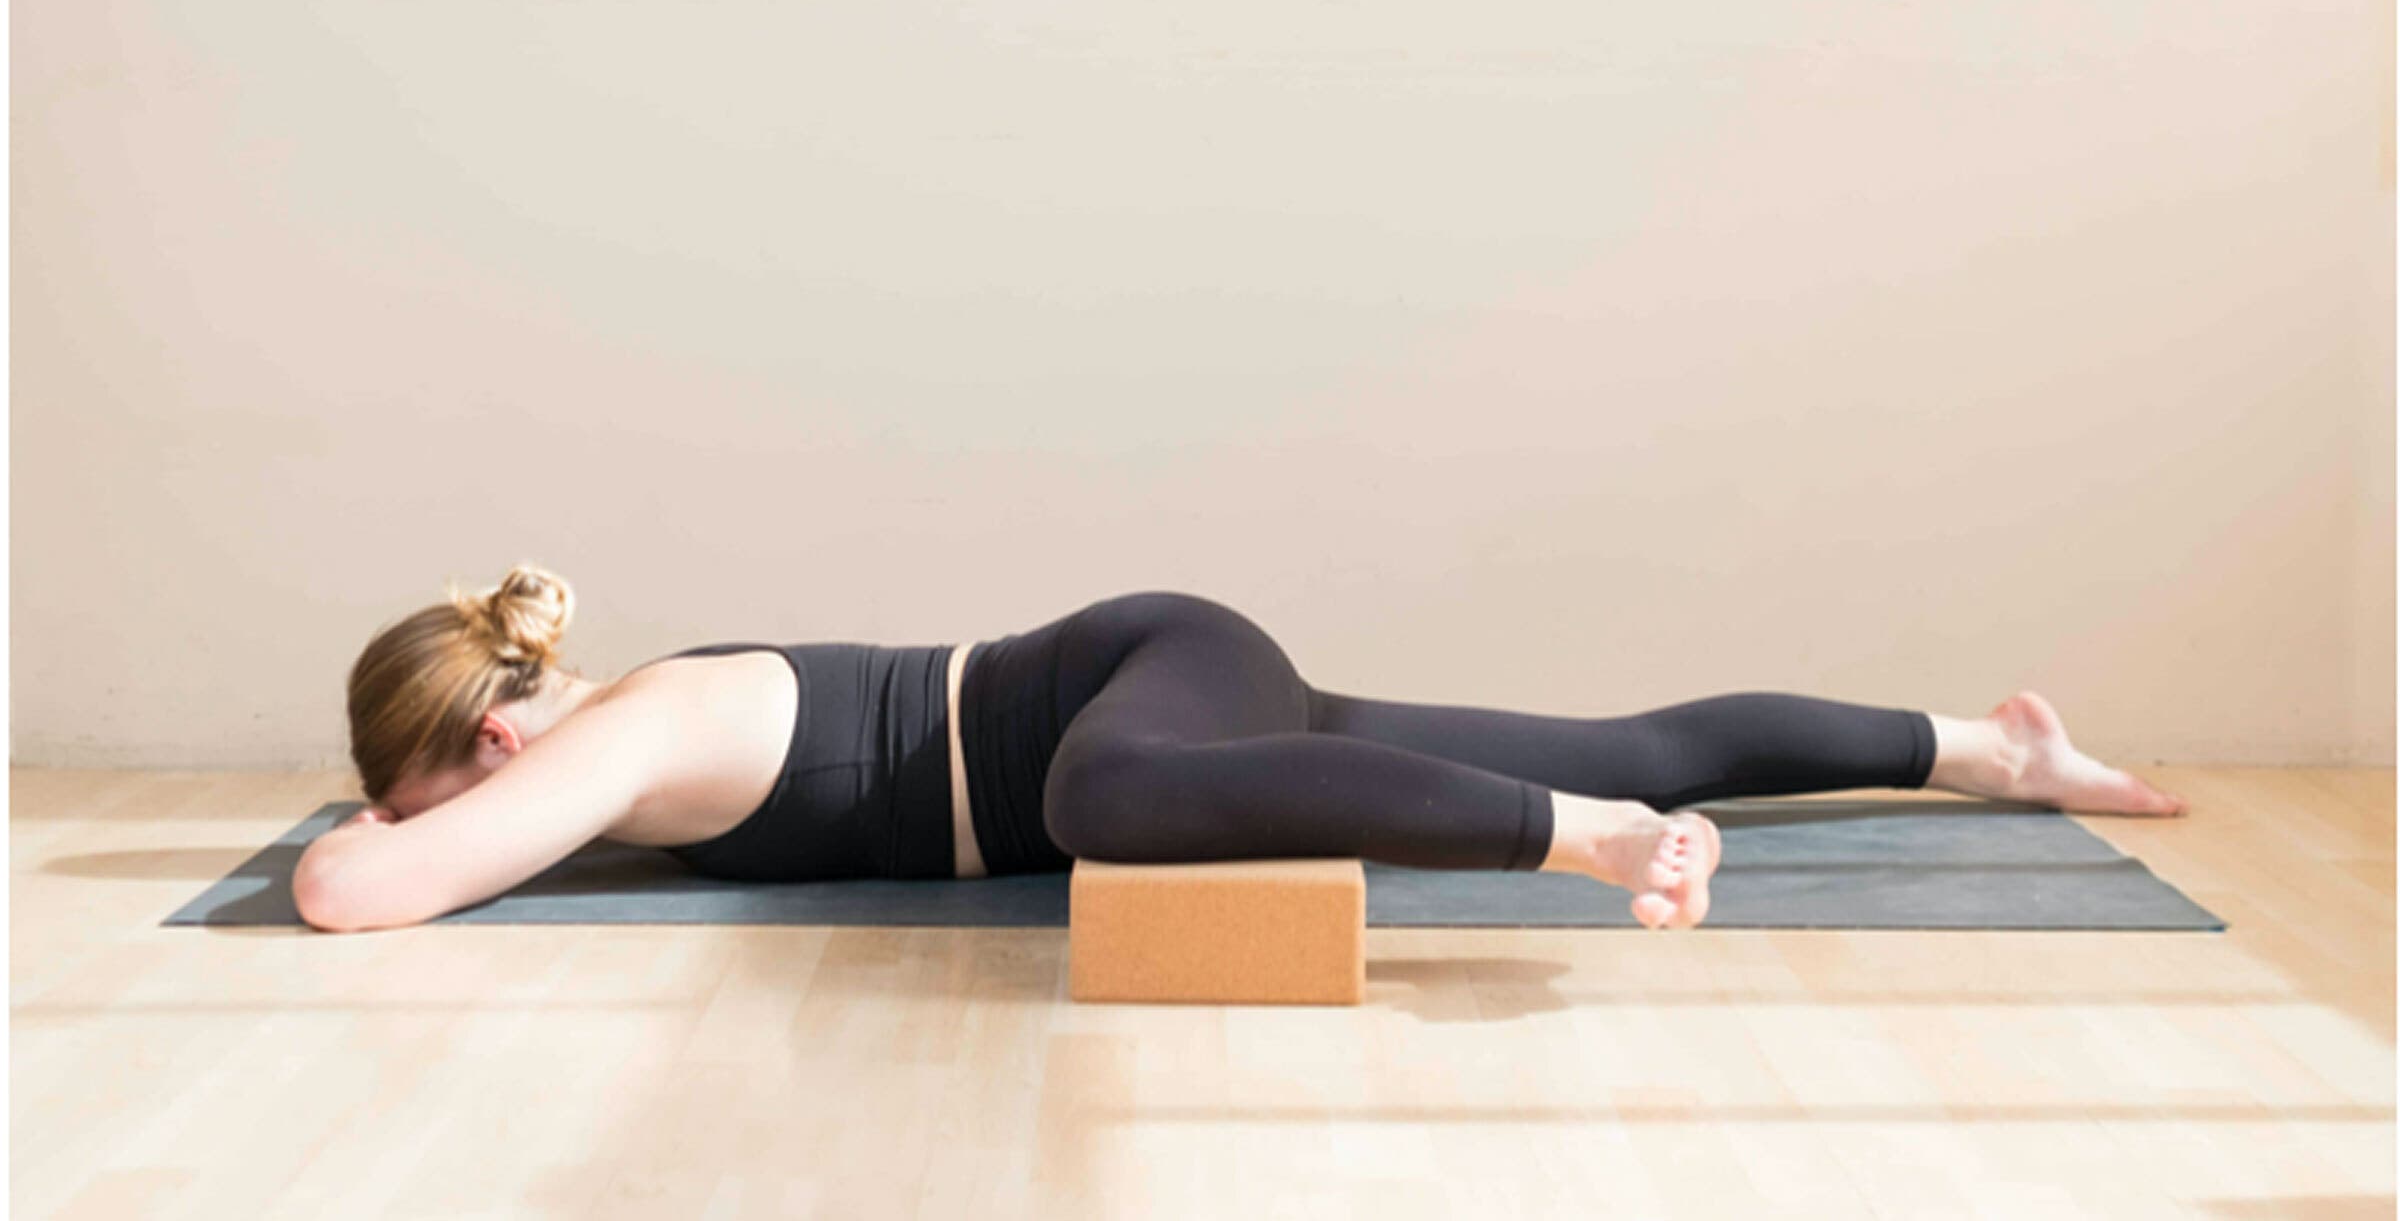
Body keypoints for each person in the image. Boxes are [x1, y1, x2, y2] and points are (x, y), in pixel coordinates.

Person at [301, 563, 2187, 933]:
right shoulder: (614, 740)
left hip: (1138, 687)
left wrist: (381, 839)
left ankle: (1586, 841)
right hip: (1193, 695)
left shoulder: (613, 738)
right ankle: (1994, 751)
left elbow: (348, 885)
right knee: (1640, 729)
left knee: (1100, 805)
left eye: (443, 791)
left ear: (490, 734)